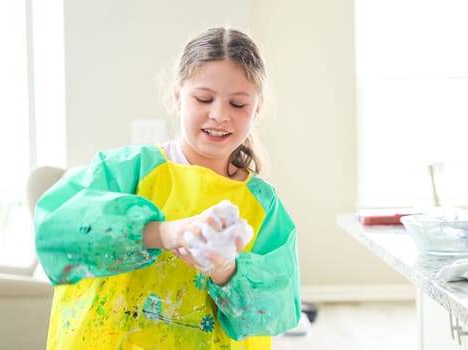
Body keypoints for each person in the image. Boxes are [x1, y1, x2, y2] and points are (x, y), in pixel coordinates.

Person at [34, 27, 301, 349]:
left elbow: (276, 311)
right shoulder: (125, 170)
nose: (219, 114)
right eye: (204, 98)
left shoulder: (262, 204)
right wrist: (163, 234)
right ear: (178, 96)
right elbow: (55, 233)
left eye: (238, 104)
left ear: (256, 109)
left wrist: (225, 269)